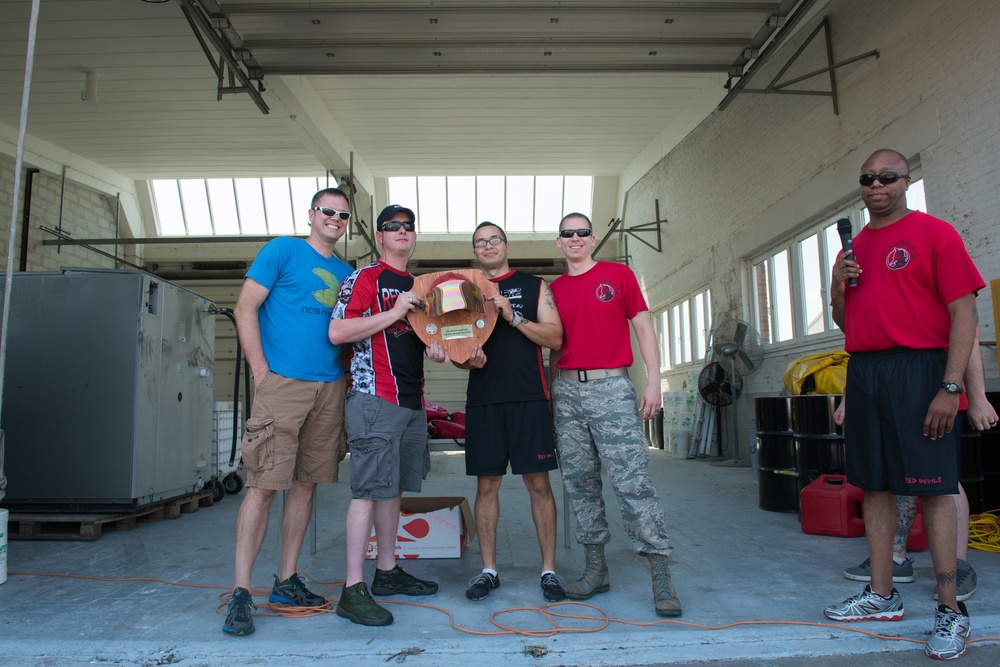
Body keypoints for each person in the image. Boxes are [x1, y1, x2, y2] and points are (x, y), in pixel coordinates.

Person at [824, 149, 986, 660]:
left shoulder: (935, 234)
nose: (877, 185)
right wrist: (836, 283)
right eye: (868, 178)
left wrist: (952, 386)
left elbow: (965, 314)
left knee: (934, 490)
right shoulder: (857, 249)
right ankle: (882, 594)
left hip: (921, 370)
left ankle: (948, 611)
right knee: (874, 484)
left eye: (887, 177)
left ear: (906, 182)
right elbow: (845, 323)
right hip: (868, 371)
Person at [224, 187, 355, 636]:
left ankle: (285, 580)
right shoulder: (282, 250)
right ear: (311, 215)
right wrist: (262, 372)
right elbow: (245, 308)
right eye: (327, 211)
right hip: (282, 383)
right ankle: (242, 592)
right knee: (262, 485)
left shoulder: (347, 270)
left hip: (329, 388)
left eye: (342, 214)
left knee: (305, 486)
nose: (335, 219)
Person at [548, 212, 681, 617]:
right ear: (559, 242)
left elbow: (643, 328)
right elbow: (553, 344)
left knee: (632, 482)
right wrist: (552, 395)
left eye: (582, 233)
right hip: (566, 389)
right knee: (580, 482)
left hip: (612, 387)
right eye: (567, 234)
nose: (575, 239)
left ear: (592, 239)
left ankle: (661, 578)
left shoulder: (618, 275)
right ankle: (596, 570)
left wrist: (654, 381)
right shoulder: (552, 290)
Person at [328, 204, 449, 626]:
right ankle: (351, 589)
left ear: (414, 236)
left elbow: (425, 339)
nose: (401, 231)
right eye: (392, 226)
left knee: (392, 489)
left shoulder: (420, 285)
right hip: (374, 397)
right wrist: (396, 311)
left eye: (408, 226)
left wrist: (438, 348)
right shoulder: (365, 278)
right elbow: (338, 331)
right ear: (380, 236)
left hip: (411, 403)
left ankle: (387, 571)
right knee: (366, 490)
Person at [840, 329, 998, 600]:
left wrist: (977, 395)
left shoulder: (943, 292)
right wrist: (848, 397)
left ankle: (958, 566)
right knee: (897, 473)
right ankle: (897, 557)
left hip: (937, 388)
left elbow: (967, 329)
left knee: (943, 482)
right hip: (895, 386)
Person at [456, 222, 566, 602]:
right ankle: (488, 571)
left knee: (538, 484)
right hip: (483, 399)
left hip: (528, 398)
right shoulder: (464, 290)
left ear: (506, 245)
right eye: (480, 242)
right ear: (475, 251)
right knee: (486, 486)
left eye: (494, 239)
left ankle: (549, 571)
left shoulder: (535, 286)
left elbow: (555, 338)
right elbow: (457, 351)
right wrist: (467, 361)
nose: (488, 246)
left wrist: (514, 317)